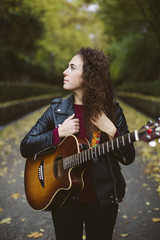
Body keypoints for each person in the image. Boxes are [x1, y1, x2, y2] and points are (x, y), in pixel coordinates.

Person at [20, 47, 135, 240]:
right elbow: (26, 146)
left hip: (102, 199)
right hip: (64, 197)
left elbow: (128, 157)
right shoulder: (57, 110)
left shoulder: (112, 111)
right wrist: (58, 133)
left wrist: (112, 131)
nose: (65, 72)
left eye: (72, 67)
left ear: (89, 76)